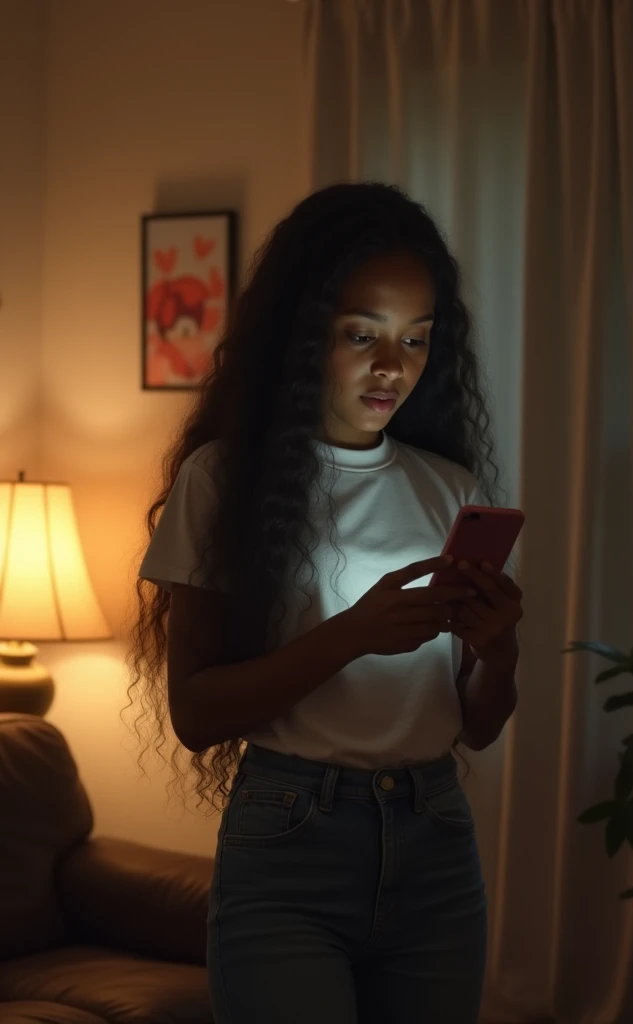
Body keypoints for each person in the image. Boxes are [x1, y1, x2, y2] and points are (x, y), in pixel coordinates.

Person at [128, 181, 523, 1024]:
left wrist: (500, 650)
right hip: (290, 840)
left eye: (416, 339)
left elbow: (477, 723)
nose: (394, 367)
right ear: (303, 337)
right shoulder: (223, 482)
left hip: (435, 838)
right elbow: (196, 713)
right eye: (362, 336)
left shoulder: (449, 488)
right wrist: (351, 636)